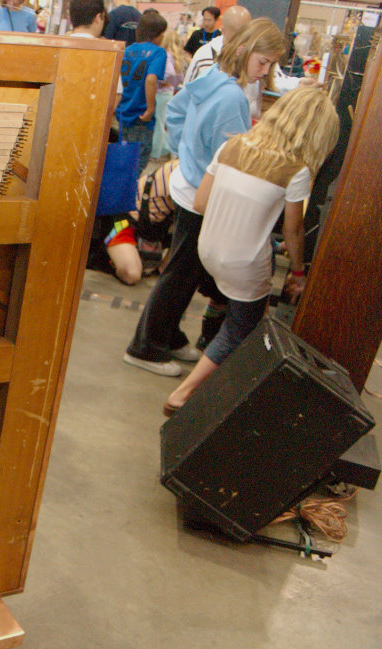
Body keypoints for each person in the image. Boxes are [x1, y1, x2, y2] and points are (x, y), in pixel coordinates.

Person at [123, 18, 287, 376]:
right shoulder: (231, 96)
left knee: (185, 273)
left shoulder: (213, 78)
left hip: (191, 186)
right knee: (181, 275)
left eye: (270, 64)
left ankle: (167, 336)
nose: (265, 71)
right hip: (202, 196)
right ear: (244, 50)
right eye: (263, 62)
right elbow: (235, 160)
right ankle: (146, 346)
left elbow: (177, 112)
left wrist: (188, 153)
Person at [163, 87, 339, 414]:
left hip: (209, 249)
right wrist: (298, 273)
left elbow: (200, 203)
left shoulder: (232, 145)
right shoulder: (296, 170)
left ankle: (215, 358)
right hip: (243, 262)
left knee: (238, 305)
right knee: (240, 328)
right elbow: (293, 231)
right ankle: (182, 394)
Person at [116, 11, 167, 174]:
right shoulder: (158, 52)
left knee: (122, 158)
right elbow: (151, 79)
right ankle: (131, 188)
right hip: (141, 114)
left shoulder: (126, 50)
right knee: (139, 161)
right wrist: (150, 108)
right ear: (157, 34)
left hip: (122, 111)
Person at [150, 28, 188, 160]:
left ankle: (155, 152)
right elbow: (179, 77)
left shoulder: (165, 55)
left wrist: (161, 81)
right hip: (169, 92)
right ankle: (165, 147)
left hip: (160, 93)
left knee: (158, 123)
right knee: (162, 121)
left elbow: (168, 73)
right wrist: (171, 83)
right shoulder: (177, 57)